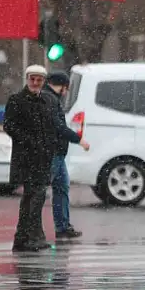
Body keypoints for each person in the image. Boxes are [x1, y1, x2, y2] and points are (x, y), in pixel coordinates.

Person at [3, 65, 57, 252]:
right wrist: (30, 142)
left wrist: (50, 146)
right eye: (32, 79)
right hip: (26, 159)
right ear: (27, 79)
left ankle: (24, 238)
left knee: (33, 198)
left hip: (42, 159)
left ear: (43, 81)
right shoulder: (17, 100)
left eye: (39, 80)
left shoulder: (47, 101)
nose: (35, 83)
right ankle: (31, 237)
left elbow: (52, 127)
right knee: (34, 197)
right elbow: (9, 126)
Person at [42, 71, 90, 239]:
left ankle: (63, 227)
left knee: (61, 187)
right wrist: (79, 139)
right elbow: (58, 126)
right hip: (52, 152)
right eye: (66, 88)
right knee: (45, 190)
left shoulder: (51, 98)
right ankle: (57, 227)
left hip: (57, 152)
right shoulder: (50, 100)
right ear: (61, 86)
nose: (67, 92)